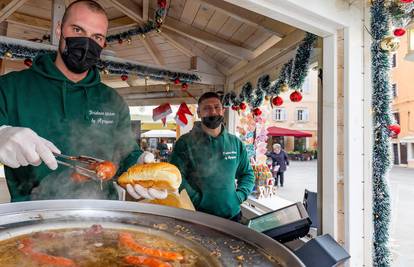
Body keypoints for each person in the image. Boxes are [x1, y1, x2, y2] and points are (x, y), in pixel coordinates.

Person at [0, 0, 145, 201]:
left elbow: (127, 152)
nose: (87, 43)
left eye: (97, 37)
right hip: (33, 216)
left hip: (101, 215)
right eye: (77, 30)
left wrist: (140, 164)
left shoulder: (113, 100)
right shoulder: (10, 87)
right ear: (59, 30)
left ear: (103, 43)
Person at [170, 92, 255, 222]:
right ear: (198, 113)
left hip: (233, 216)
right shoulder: (184, 143)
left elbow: (247, 174)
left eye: (217, 107)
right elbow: (175, 177)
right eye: (207, 108)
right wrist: (197, 200)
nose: (213, 112)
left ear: (223, 110)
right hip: (197, 217)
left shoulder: (235, 143)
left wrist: (239, 196)